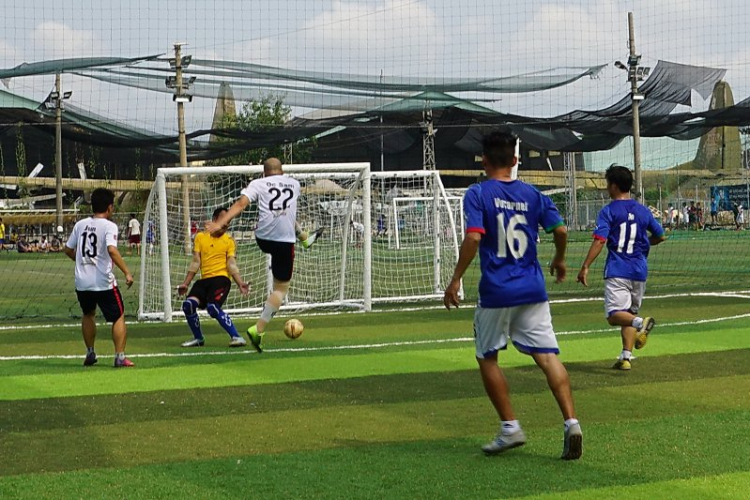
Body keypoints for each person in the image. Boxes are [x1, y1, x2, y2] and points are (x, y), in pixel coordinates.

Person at [443, 131, 582, 460]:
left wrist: (455, 279)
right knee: (548, 357)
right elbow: (560, 230)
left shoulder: (478, 193)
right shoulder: (533, 194)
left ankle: (510, 428)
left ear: (484, 161)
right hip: (533, 288)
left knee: (486, 356)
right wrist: (560, 259)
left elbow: (475, 238)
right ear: (516, 161)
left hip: (497, 290)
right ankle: (571, 422)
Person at [206, 157, 324, 352]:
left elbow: (241, 205)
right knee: (280, 289)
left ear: (263, 172)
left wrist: (220, 223)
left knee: (283, 215)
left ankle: (304, 238)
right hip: (284, 242)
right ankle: (258, 329)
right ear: (282, 171)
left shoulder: (258, 183)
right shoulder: (294, 184)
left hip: (263, 238)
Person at [577, 165, 666, 371]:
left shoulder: (608, 211)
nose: (607, 188)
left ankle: (641, 324)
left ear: (614, 186)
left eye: (608, 184)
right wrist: (643, 244)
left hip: (618, 269)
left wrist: (585, 266)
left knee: (614, 315)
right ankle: (626, 357)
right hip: (639, 271)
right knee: (629, 312)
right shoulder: (643, 210)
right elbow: (660, 236)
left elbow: (600, 240)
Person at [63, 188, 135, 368]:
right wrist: (127, 272)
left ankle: (90, 353)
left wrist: (81, 261)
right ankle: (119, 356)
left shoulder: (80, 225)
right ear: (110, 207)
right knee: (118, 316)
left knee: (88, 314)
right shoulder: (109, 226)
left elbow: (68, 249)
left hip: (82, 282)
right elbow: (112, 249)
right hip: (103, 282)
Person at [178, 207, 250, 347]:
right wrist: (186, 284)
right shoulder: (200, 237)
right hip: (204, 281)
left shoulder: (229, 241)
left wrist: (240, 282)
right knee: (188, 305)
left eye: (229, 220)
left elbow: (231, 263)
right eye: (224, 219)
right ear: (215, 220)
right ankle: (198, 338)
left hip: (221, 280)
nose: (227, 223)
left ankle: (236, 336)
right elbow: (196, 262)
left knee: (213, 308)